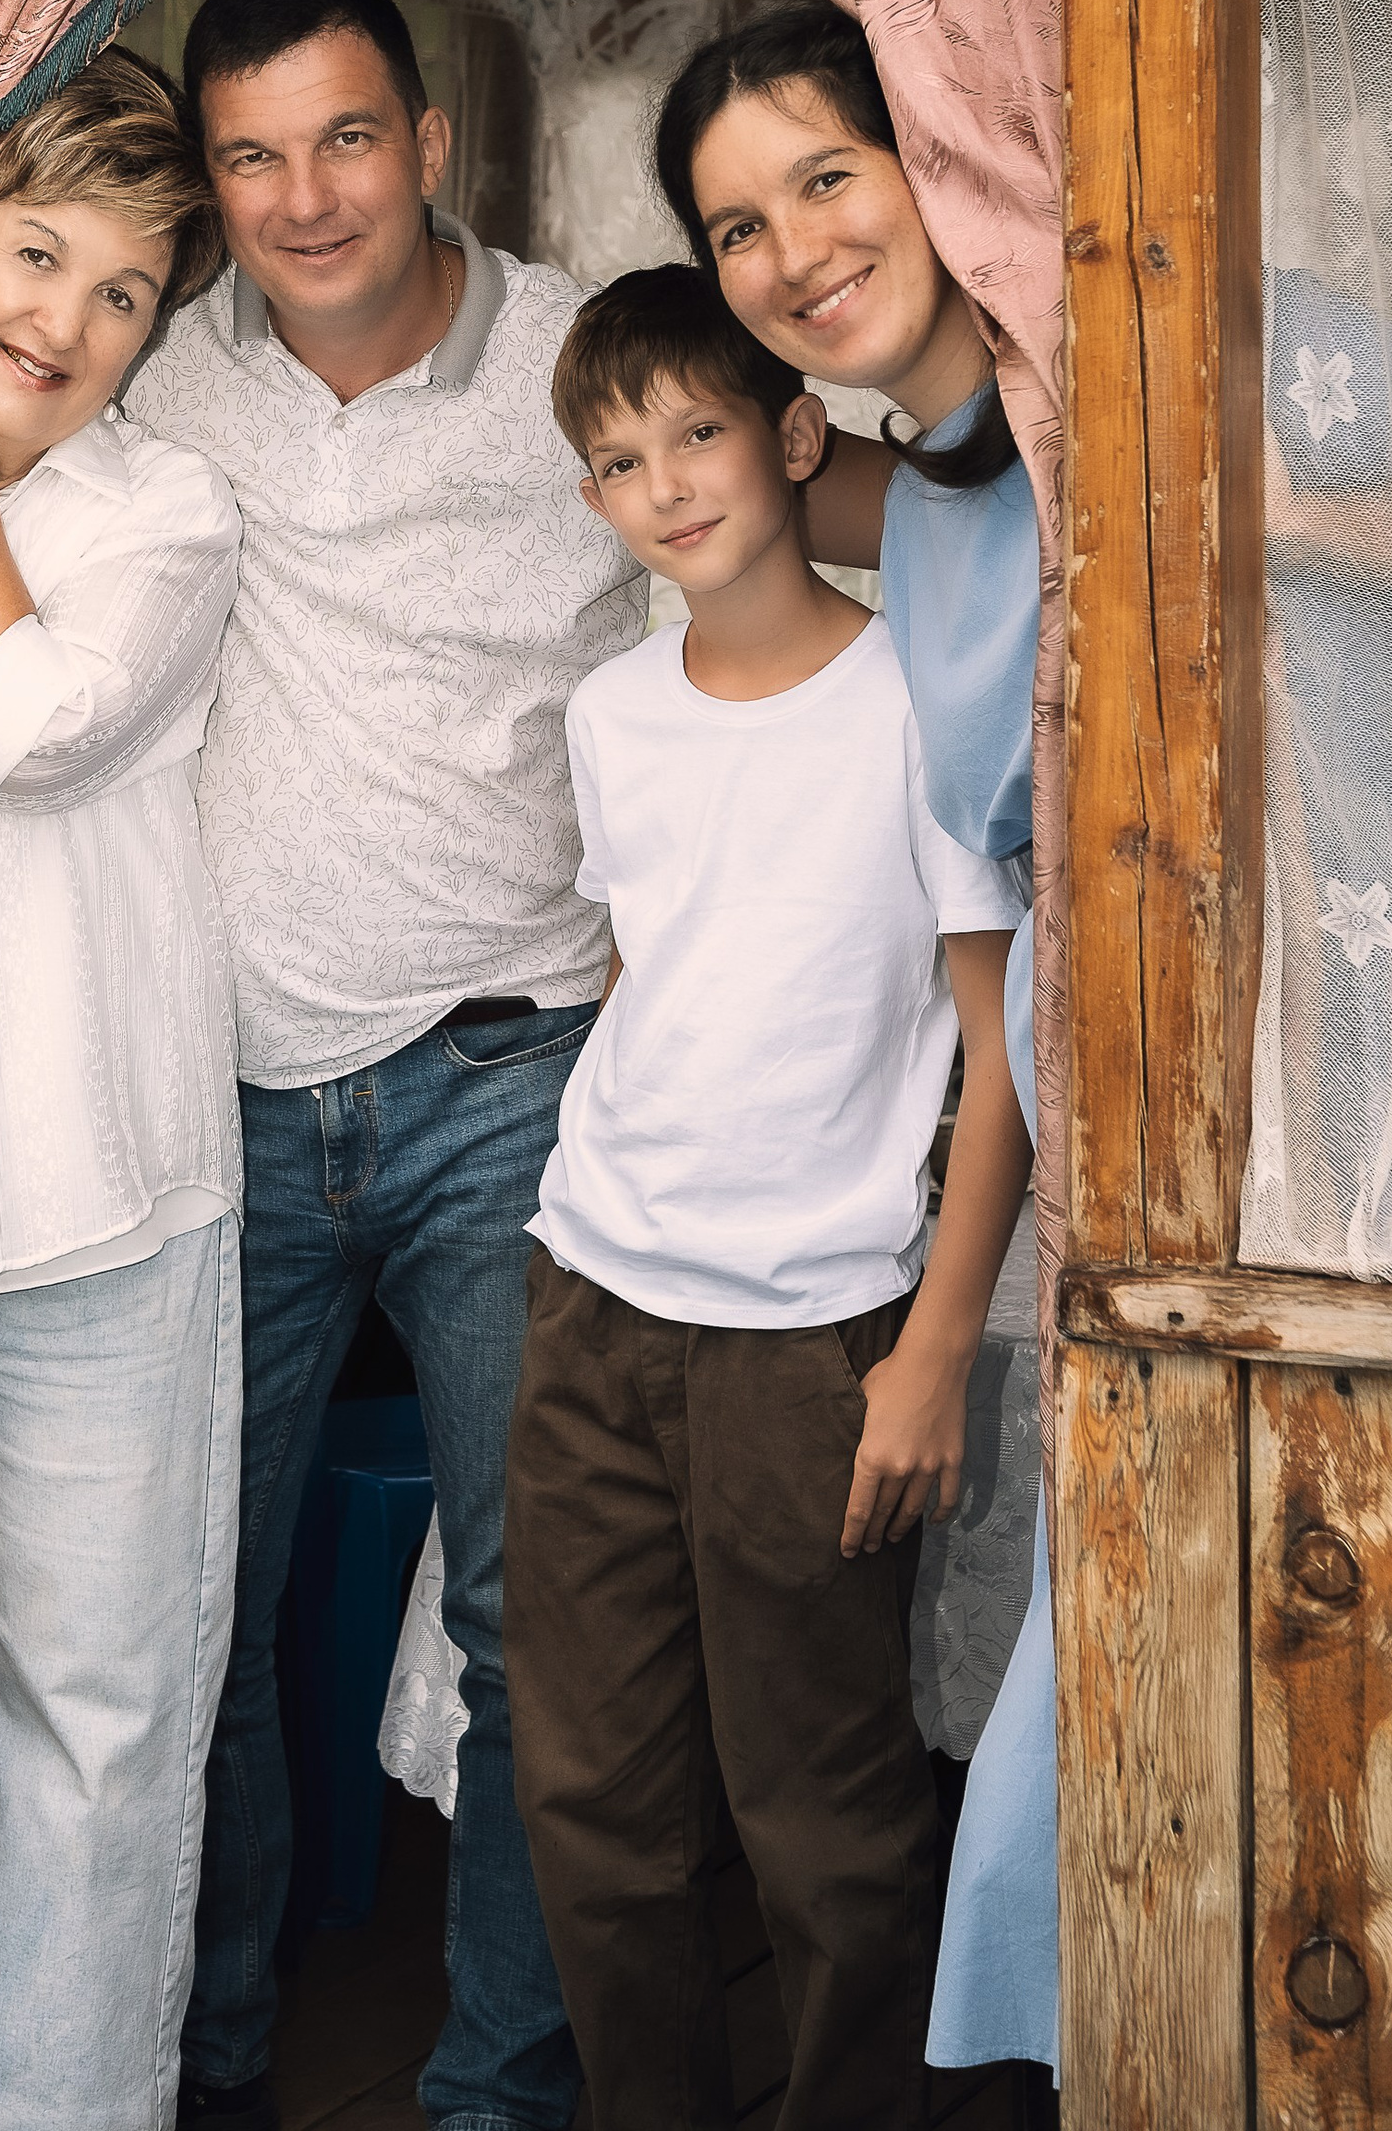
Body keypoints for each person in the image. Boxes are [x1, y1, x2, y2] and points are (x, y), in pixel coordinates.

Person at [126, 0, 643, 2131]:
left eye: (345, 135)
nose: (305, 195)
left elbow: (802, 524)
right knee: (189, 1616)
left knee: (543, 1631)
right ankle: (212, 2063)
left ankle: (492, 2096)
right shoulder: (155, 385)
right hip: (220, 1088)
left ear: (427, 136)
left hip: (507, 1072)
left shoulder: (580, 362)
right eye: (250, 154)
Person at [503, 263, 1031, 2131]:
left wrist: (935, 1351)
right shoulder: (612, 714)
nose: (664, 483)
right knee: (589, 1801)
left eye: (700, 432)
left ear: (798, 436)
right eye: (618, 458)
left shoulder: (924, 698)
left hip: (815, 1337)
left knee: (822, 1819)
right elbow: (662, 973)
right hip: (592, 1297)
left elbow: (1002, 1056)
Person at [650, 1, 1056, 2095]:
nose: (791, 247)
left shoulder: (1120, 392)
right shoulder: (941, 501)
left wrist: (1218, 519)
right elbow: (993, 960)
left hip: (1322, 1112)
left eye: (826, 174)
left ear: (942, 150)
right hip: (1092, 1161)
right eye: (736, 224)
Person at [0, 50, 242, 2131]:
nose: (68, 321)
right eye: (33, 251)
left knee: (87, 1717)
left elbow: (10, 727)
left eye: (123, 294)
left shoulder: (163, 514)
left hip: (93, 1191)